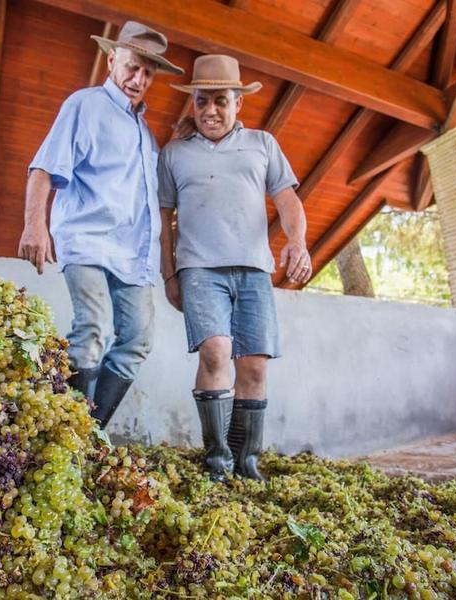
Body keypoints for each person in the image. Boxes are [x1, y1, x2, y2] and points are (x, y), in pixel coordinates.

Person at [18, 22, 184, 427]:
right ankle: (64, 432)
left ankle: (89, 434)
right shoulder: (85, 105)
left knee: (138, 341)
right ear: (112, 60)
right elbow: (44, 167)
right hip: (88, 240)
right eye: (132, 67)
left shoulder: (145, 134)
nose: (138, 79)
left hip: (133, 257)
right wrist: (34, 226)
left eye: (148, 73)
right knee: (92, 330)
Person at [158, 55, 311, 480]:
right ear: (192, 103)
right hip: (199, 270)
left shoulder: (263, 144)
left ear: (238, 102)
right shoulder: (173, 153)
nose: (211, 110)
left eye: (221, 100)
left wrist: (297, 242)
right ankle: (217, 463)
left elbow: (287, 200)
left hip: (254, 270)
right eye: (202, 101)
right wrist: (169, 273)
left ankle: (247, 464)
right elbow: (163, 218)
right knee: (215, 351)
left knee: (255, 365)